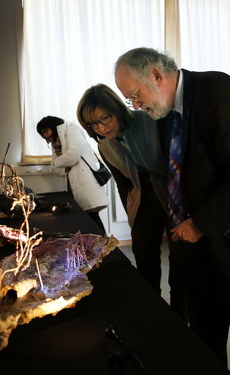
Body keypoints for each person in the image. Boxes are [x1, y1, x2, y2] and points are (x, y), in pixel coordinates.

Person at [114, 47, 230, 374]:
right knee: (204, 338)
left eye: (134, 95)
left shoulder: (216, 91)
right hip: (201, 250)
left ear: (156, 75)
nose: (135, 104)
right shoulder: (164, 112)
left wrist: (199, 224)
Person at [76, 84, 190, 321]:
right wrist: (132, 215)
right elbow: (123, 183)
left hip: (171, 198)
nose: (101, 127)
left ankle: (180, 320)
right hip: (143, 204)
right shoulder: (104, 145)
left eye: (104, 118)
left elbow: (176, 162)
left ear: (117, 109)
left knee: (180, 265)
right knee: (145, 261)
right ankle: (153, 315)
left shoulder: (148, 120)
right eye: (93, 124)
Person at [36, 115, 108, 231]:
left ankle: (105, 246)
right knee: (84, 219)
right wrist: (61, 165)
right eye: (42, 134)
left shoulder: (71, 128)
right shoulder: (56, 140)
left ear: (52, 125)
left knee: (92, 217)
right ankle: (93, 246)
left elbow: (73, 155)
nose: (44, 135)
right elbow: (56, 170)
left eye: (45, 131)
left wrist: (57, 163)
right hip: (72, 183)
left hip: (84, 179)